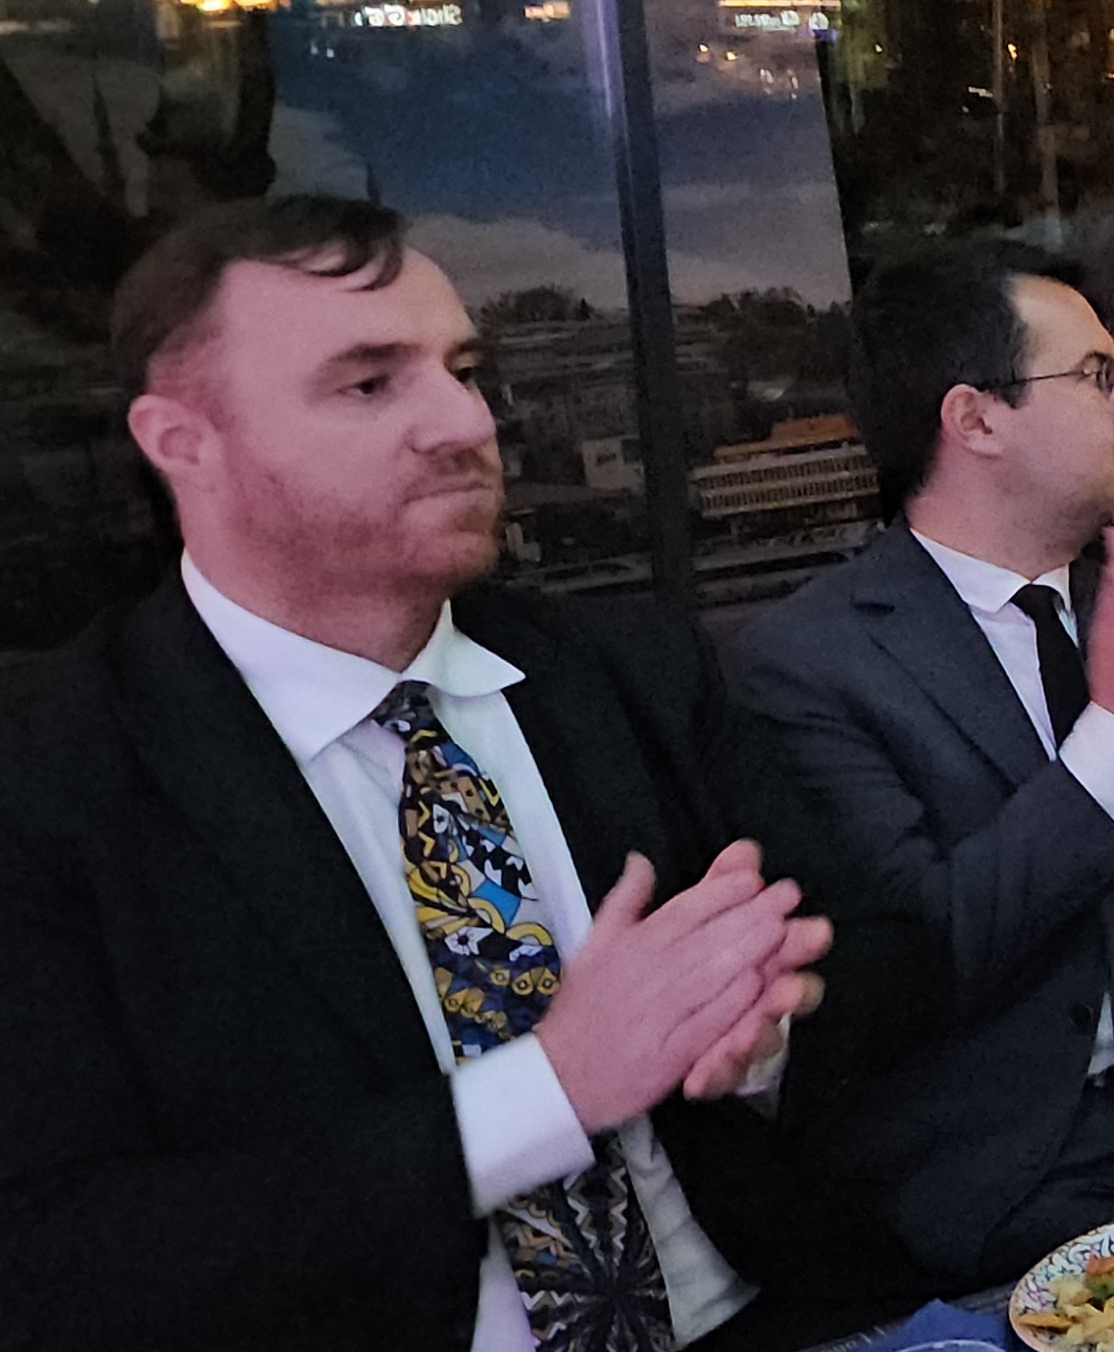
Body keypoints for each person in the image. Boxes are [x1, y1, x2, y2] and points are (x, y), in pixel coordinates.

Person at [0, 195, 903, 1351]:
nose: (465, 421)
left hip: (770, 1313)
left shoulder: (624, 668)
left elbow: (871, 947)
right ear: (183, 442)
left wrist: (754, 1031)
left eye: (464, 370)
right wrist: (551, 1091)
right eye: (369, 383)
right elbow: (51, 1262)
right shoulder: (52, 771)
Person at [727, 240, 1114, 1291]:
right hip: (1017, 1169)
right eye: (1099, 376)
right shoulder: (809, 664)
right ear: (975, 419)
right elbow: (915, 959)